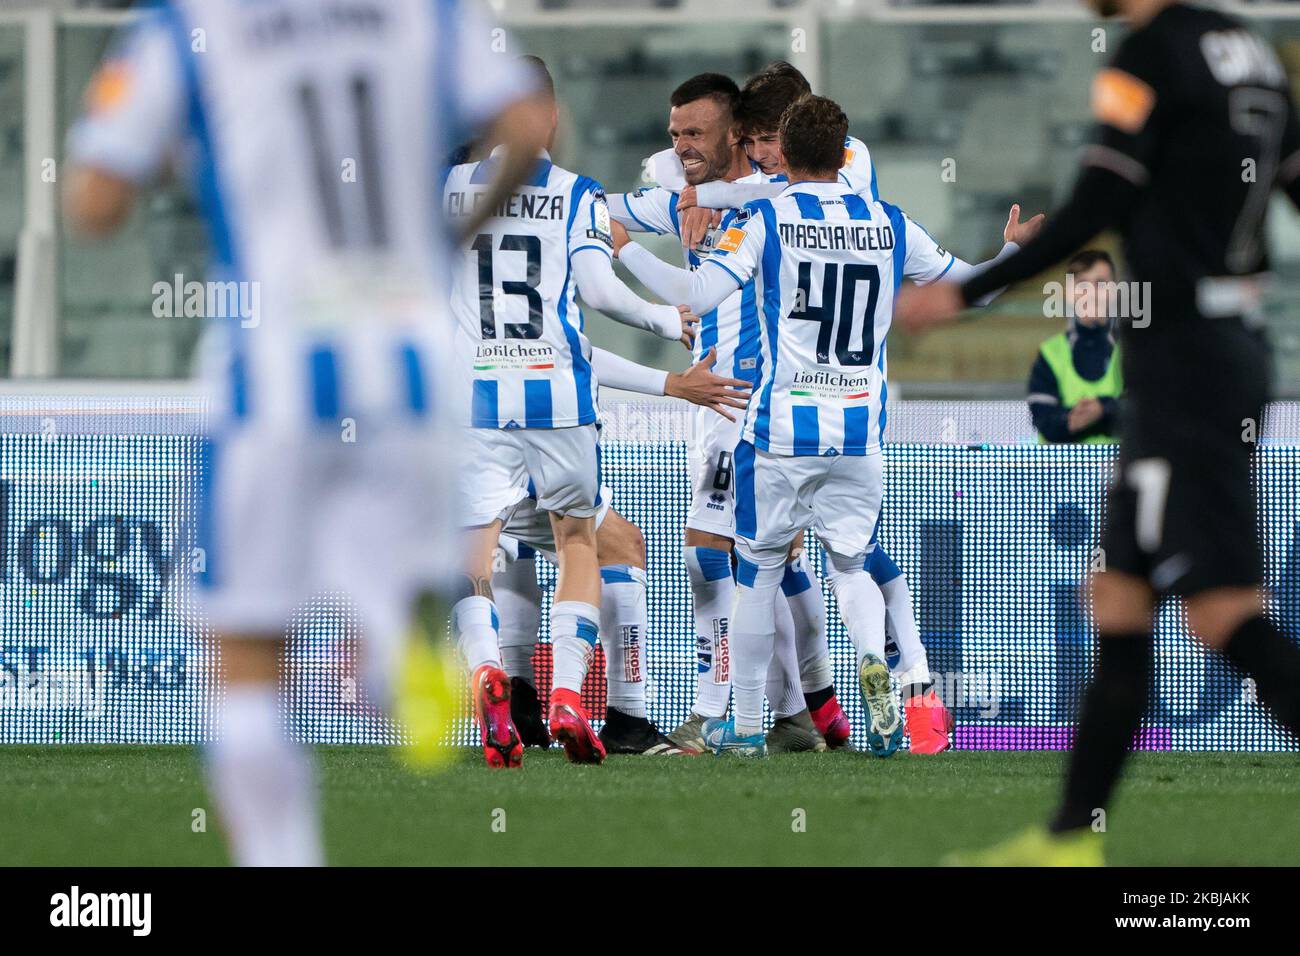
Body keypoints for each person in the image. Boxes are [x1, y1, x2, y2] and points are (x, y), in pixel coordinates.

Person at [64, 0, 550, 863]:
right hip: (413, 356)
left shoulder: (190, 23)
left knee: (248, 651)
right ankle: (397, 650)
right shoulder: (423, 13)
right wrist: (443, 242)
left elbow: (95, 200)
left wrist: (189, 146)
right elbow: (528, 118)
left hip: (274, 367)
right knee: (394, 575)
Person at [896, 0, 1300, 864]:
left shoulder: (1153, 51)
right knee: (1120, 601)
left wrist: (963, 294)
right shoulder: (1255, 53)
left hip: (1191, 364)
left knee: (1225, 614)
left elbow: (1094, 205)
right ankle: (1071, 842)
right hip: (1200, 357)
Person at [618, 95, 1019, 757]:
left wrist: (627, 249)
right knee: (852, 566)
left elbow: (694, 296)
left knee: (759, 573)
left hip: (781, 431)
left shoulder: (767, 220)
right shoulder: (888, 221)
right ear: (845, 153)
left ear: (781, 152)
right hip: (861, 432)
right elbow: (970, 289)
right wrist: (1008, 252)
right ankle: (876, 665)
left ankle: (747, 727)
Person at [444, 56, 697, 766]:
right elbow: (600, 291)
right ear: (552, 118)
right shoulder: (577, 193)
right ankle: (566, 697)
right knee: (578, 540)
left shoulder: (450, 189)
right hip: (558, 396)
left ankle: (488, 671)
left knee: (476, 555)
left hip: (476, 399)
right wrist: (665, 321)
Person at [606, 73, 854, 753]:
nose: (684, 146)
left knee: (709, 551)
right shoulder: (675, 189)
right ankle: (808, 707)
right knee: (771, 555)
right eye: (676, 135)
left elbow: (821, 171)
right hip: (710, 395)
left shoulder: (779, 196)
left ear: (740, 138)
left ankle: (716, 710)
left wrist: (703, 194)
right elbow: (601, 211)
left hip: (750, 396)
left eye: (699, 134)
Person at [494, 346, 751, 756]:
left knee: (500, 548)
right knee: (614, 547)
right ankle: (619, 717)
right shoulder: (550, 289)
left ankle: (514, 693)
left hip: (470, 441)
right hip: (538, 435)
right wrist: (666, 342)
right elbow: (583, 335)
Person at [1028, 250, 1123, 443]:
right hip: (1060, 472)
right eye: (1082, 284)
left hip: (1120, 472)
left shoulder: (1136, 349)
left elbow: (1150, 409)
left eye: (1101, 284)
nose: (1091, 294)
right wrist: (1101, 413)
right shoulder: (1050, 353)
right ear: (1067, 293)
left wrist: (1101, 410)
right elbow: (1044, 421)